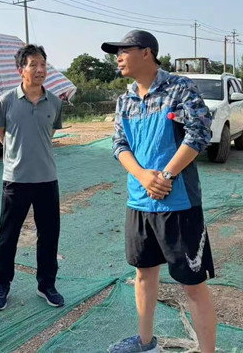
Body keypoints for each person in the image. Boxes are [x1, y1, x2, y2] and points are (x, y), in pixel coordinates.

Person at [102, 30, 216, 353]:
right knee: (143, 274)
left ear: (147, 53)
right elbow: (119, 144)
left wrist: (166, 175)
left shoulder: (179, 88)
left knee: (193, 285)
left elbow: (199, 132)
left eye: (124, 50)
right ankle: (146, 342)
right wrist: (142, 177)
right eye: (117, 53)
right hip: (139, 203)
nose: (118, 57)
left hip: (178, 204)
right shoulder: (125, 100)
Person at [0, 44, 64, 311]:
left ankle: (47, 285)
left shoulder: (54, 102)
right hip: (16, 180)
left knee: (49, 235)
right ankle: (2, 284)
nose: (40, 69)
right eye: (34, 64)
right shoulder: (6, 101)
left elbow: (49, 134)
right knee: (8, 235)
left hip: (46, 179)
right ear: (20, 69)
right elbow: (0, 132)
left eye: (43, 64)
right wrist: (16, 155)